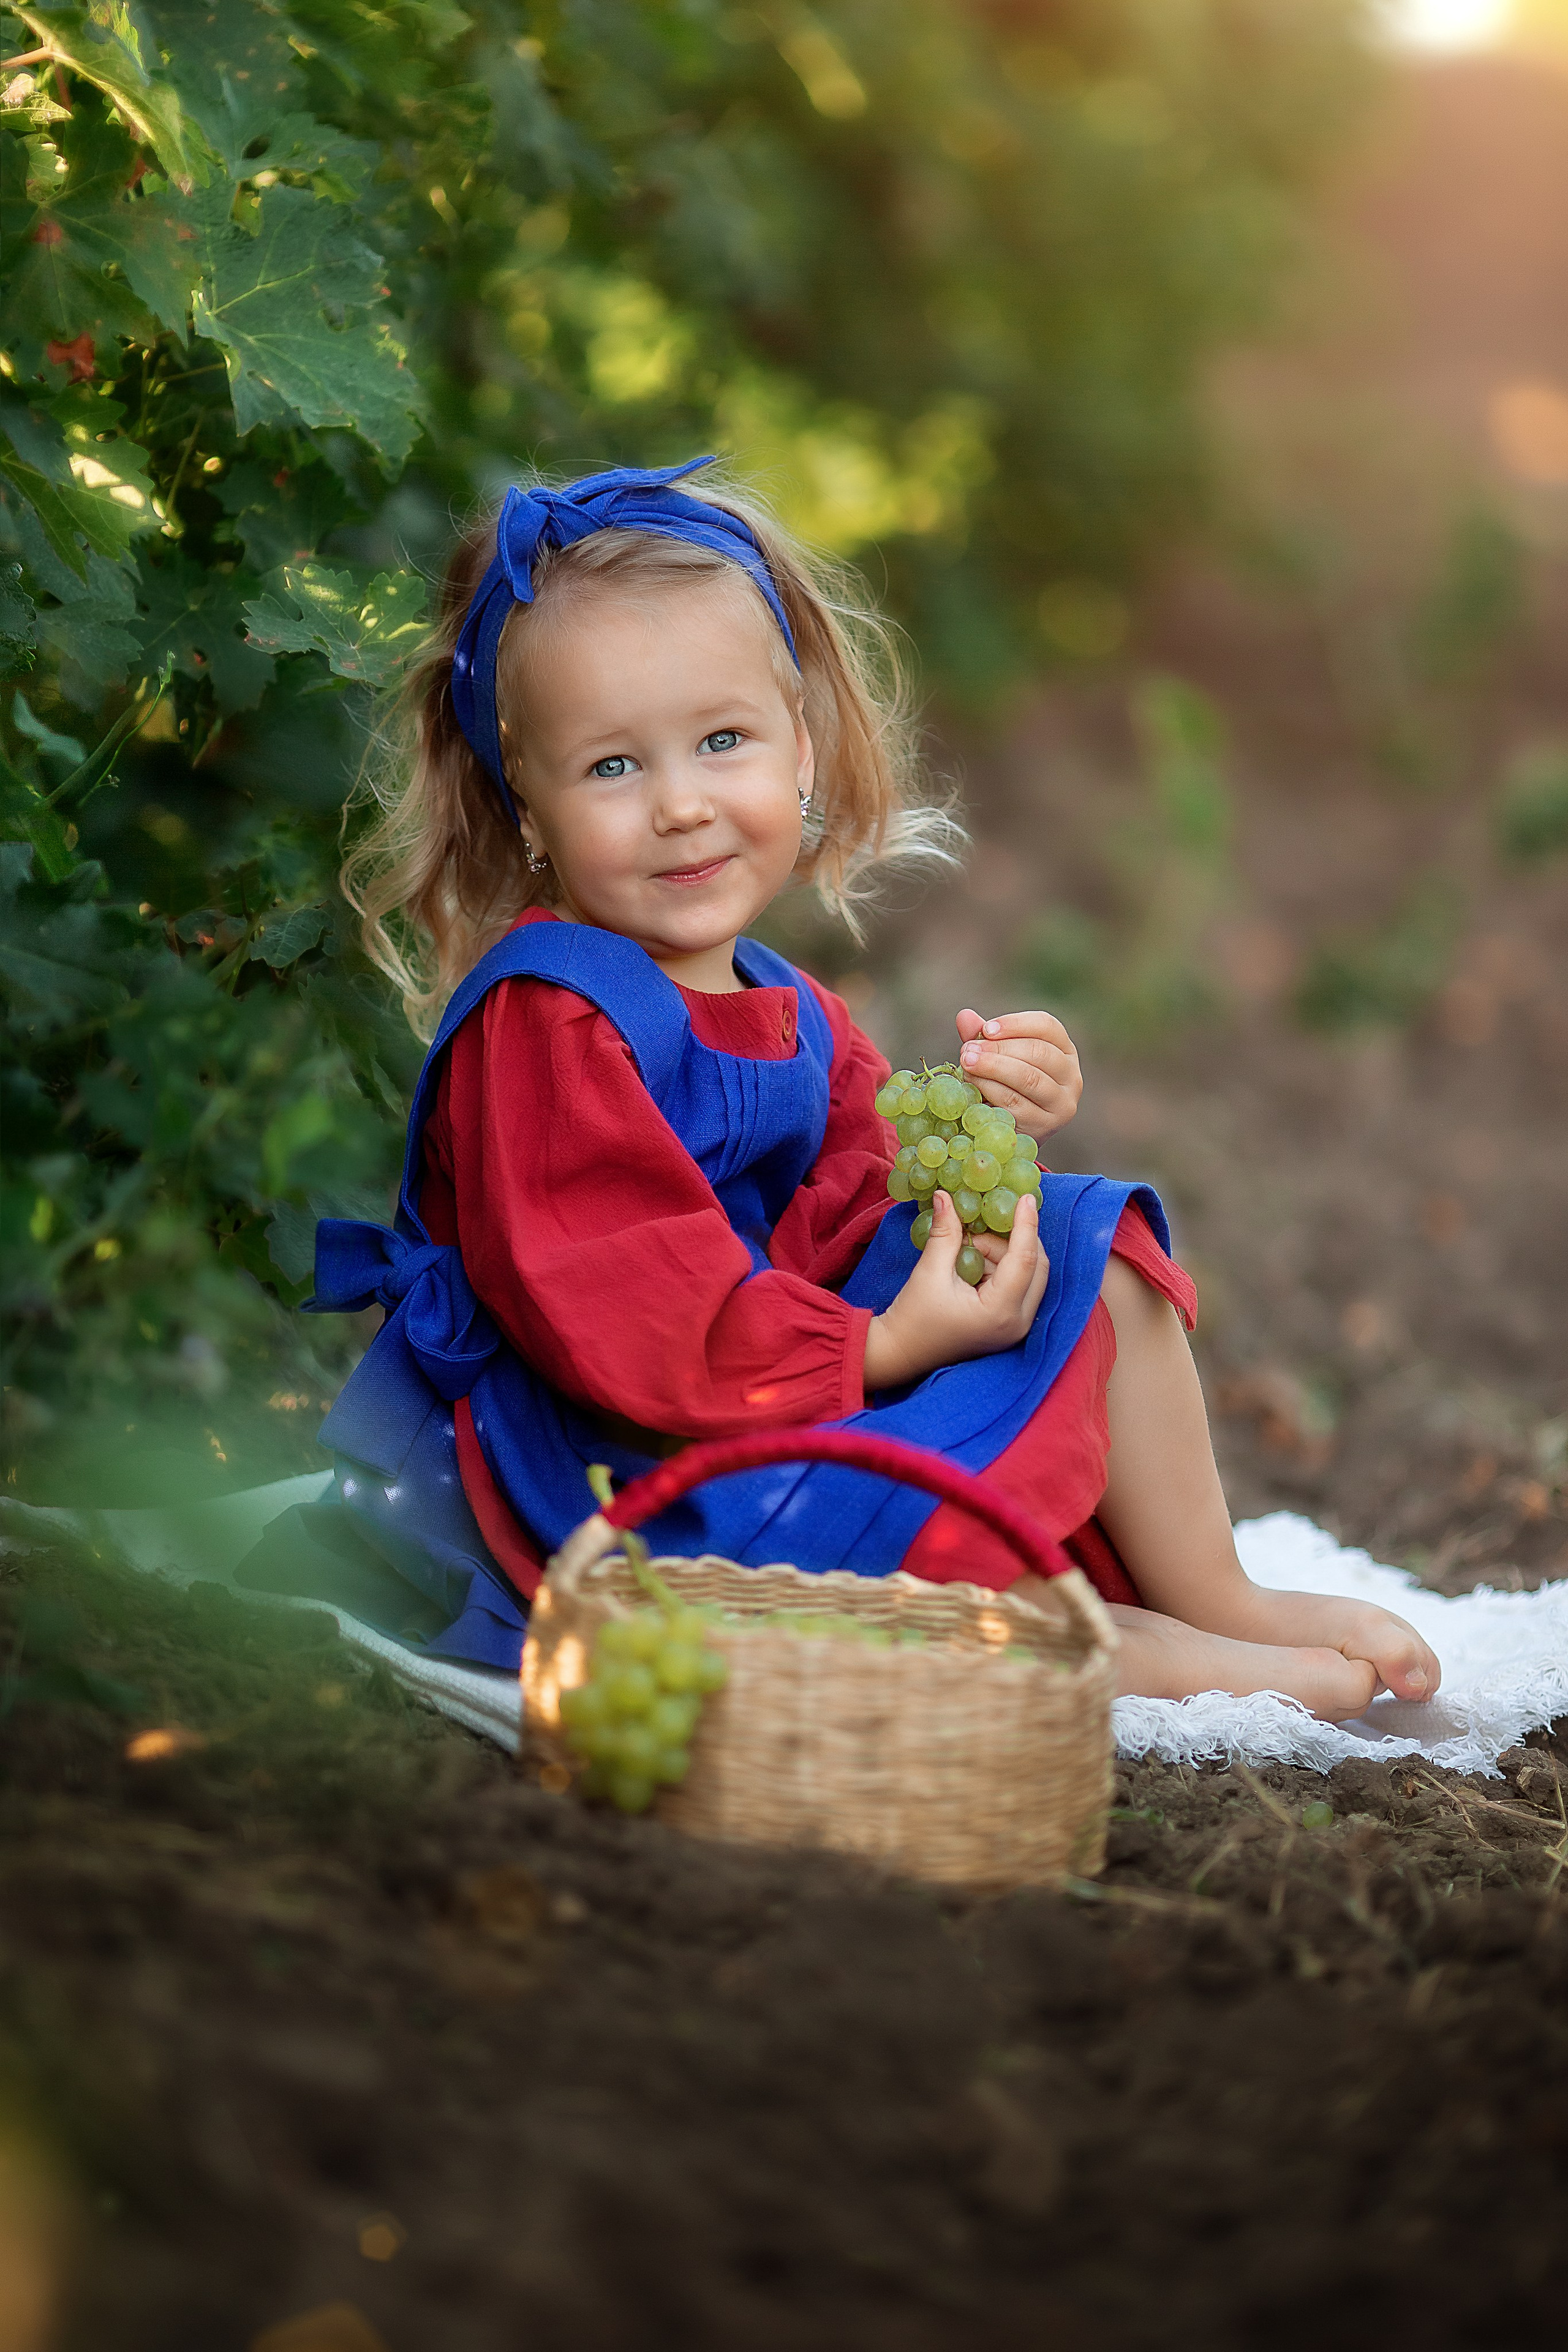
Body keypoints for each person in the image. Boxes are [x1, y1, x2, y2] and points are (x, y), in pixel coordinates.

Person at [304, 458, 1438, 1722]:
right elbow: (625, 1305)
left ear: (800, 745)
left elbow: (858, 1202)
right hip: (616, 1469)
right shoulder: (548, 1023)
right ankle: (1154, 1657)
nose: (680, 805)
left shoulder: (786, 1006)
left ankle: (1212, 1594)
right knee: (901, 1628)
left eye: (720, 741)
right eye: (613, 768)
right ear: (527, 798)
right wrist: (884, 1344)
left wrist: (983, 1129)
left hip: (779, 1387)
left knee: (1089, 1245)